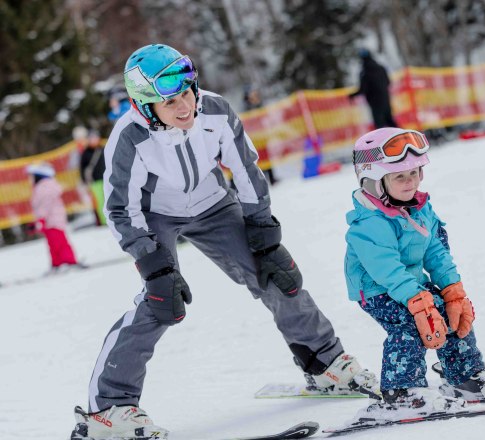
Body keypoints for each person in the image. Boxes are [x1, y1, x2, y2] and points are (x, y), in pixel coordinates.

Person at [70, 44, 378, 440]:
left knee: (277, 273)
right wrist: (152, 262)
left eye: (187, 93)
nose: (184, 107)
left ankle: (325, 363)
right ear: (145, 106)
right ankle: (108, 409)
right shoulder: (128, 139)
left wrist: (263, 231)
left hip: (212, 203)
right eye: (169, 102)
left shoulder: (214, 111)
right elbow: (120, 209)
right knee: (161, 300)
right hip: (153, 215)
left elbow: (246, 170)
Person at [343, 127, 485, 417]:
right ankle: (402, 392)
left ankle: (464, 377)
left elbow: (435, 251)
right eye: (400, 176)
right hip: (377, 289)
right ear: (373, 181)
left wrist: (452, 289)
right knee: (409, 325)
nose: (410, 181)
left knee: (452, 314)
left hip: (410, 284)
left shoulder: (420, 209)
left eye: (414, 173)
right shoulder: (369, 224)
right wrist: (417, 300)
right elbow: (385, 269)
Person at [26, 162, 83, 273]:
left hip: (52, 221)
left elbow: (44, 206)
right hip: (52, 220)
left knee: (58, 243)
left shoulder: (44, 187)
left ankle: (69, 261)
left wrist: (40, 221)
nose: (30, 179)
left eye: (32, 176)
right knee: (53, 244)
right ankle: (57, 264)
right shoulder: (44, 186)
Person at [349, 49, 397, 129]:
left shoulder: (364, 72)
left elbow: (363, 89)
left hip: (375, 102)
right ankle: (402, 138)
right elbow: (388, 82)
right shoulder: (381, 68)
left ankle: (384, 141)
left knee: (380, 125)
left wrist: (352, 95)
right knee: (390, 121)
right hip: (385, 98)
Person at [79, 130, 106, 225]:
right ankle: (104, 221)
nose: (94, 140)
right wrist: (84, 181)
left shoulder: (103, 149)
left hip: (108, 179)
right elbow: (82, 168)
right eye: (92, 138)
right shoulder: (85, 153)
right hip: (94, 182)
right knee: (100, 202)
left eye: (95, 138)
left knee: (110, 199)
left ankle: (114, 218)